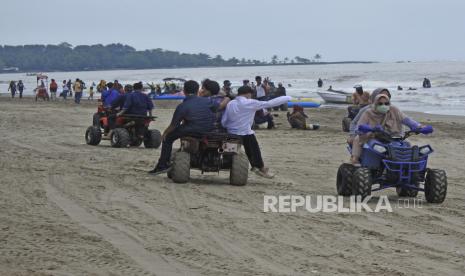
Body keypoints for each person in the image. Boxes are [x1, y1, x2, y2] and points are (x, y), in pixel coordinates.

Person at [221, 85, 291, 178]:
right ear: (248, 94)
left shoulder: (231, 103)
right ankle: (259, 167)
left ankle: (227, 164)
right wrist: (288, 97)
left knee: (229, 154)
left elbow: (224, 120)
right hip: (245, 133)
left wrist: (228, 128)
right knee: (254, 150)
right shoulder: (250, 102)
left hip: (231, 133)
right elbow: (270, 103)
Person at [149, 80, 216, 175]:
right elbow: (217, 108)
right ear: (198, 91)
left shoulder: (183, 105)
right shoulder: (208, 101)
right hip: (209, 129)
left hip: (191, 130)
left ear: (184, 91)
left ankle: (162, 165)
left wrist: (165, 133)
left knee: (167, 138)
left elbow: (174, 125)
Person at [351, 94, 422, 165]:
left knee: (407, 144)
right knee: (359, 140)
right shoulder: (368, 113)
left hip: (394, 137)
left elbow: (407, 120)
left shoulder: (394, 110)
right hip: (373, 137)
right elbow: (359, 127)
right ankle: (355, 159)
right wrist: (369, 129)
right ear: (375, 104)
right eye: (380, 103)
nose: (383, 105)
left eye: (386, 103)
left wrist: (419, 127)